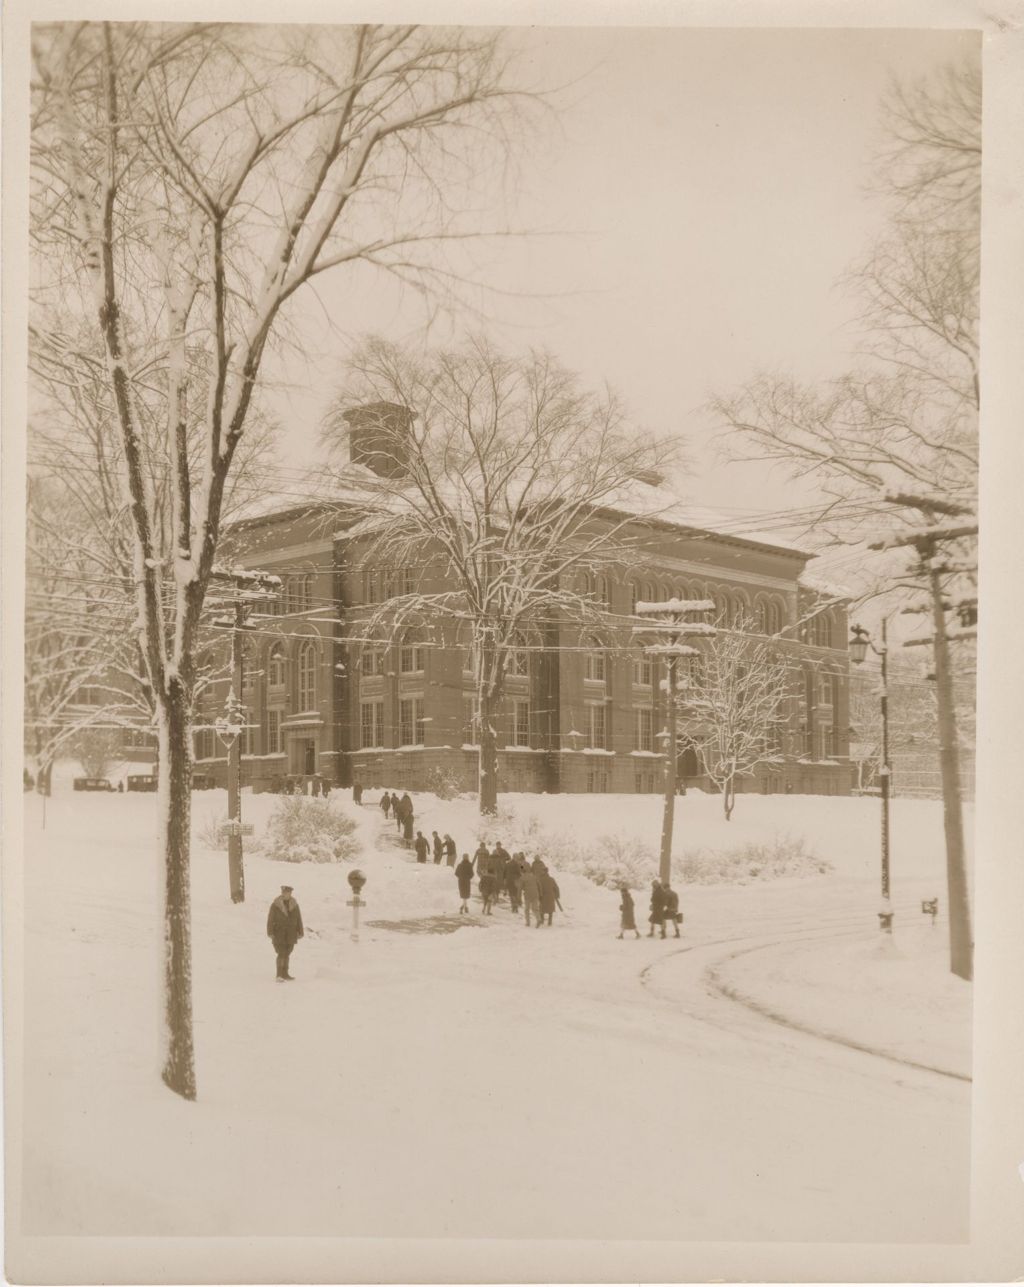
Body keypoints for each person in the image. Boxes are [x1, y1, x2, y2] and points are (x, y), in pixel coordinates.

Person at [266, 884, 304, 981]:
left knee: (288, 953)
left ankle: (285, 974)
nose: (285, 894)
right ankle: (279, 975)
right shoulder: (275, 905)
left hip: (291, 933)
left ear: (290, 893)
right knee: (281, 953)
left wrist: (300, 931)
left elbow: (299, 919)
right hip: (279, 933)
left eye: (287, 893)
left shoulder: (295, 905)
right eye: (284, 892)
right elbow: (270, 919)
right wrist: (270, 932)